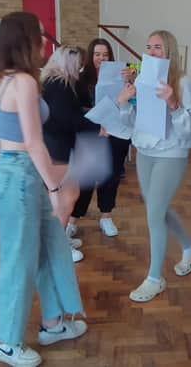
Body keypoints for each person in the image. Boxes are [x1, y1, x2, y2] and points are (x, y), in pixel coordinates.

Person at [0, 12, 87, 367]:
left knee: (53, 247)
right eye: (40, 35)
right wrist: (56, 186)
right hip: (20, 178)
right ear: (26, 40)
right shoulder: (25, 83)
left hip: (16, 174)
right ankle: (7, 342)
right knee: (19, 262)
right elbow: (33, 142)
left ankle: (54, 322)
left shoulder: (5, 79)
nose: (46, 41)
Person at [116, 30, 191, 302]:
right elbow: (134, 123)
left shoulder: (183, 82)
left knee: (154, 214)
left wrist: (173, 103)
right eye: (148, 47)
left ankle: (155, 278)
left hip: (171, 153)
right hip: (144, 150)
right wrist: (125, 101)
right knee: (158, 209)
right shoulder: (143, 80)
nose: (151, 52)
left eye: (158, 47)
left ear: (169, 52)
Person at [41, 44, 107, 262]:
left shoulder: (52, 82)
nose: (80, 69)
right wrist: (96, 127)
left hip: (56, 144)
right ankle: (57, 246)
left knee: (67, 195)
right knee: (66, 198)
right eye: (78, 65)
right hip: (56, 147)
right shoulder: (59, 84)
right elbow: (67, 118)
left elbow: (69, 113)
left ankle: (58, 240)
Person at [64, 38, 133, 241]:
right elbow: (77, 109)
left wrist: (130, 81)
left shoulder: (122, 76)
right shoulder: (80, 78)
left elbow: (133, 102)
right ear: (90, 56)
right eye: (97, 54)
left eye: (105, 55)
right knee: (86, 177)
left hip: (116, 132)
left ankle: (106, 216)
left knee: (110, 176)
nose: (101, 58)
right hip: (91, 131)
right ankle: (73, 220)